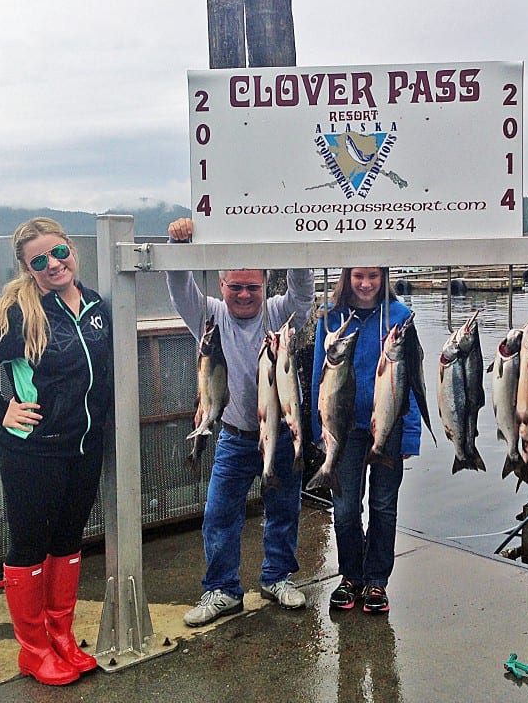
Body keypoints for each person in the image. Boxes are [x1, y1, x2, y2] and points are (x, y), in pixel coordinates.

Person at [0, 218, 111, 686]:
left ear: (71, 249)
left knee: (67, 541)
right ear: (26, 267)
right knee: (29, 546)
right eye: (40, 260)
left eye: (59, 252)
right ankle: (33, 649)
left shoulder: (97, 303)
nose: (54, 264)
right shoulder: (20, 314)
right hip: (34, 454)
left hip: (84, 448)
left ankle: (61, 636)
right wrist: (2, 411)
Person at [165, 216, 315, 627]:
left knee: (284, 509)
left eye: (254, 286)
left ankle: (277, 577)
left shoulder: (280, 315)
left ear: (267, 284)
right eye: (236, 287)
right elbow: (179, 287)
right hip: (232, 436)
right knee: (218, 514)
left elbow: (304, 294)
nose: (245, 295)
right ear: (221, 286)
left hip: (280, 436)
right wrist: (177, 246)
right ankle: (222, 590)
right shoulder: (209, 317)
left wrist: (296, 246)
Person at [310, 267, 421, 614]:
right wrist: (319, 433)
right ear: (347, 276)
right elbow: (318, 376)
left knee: (383, 506)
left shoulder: (401, 317)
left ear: (384, 276)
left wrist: (411, 433)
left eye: (374, 275)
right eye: (359, 275)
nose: (366, 283)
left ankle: (376, 581)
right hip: (343, 429)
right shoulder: (329, 319)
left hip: (390, 427)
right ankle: (351, 576)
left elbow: (412, 379)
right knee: (344, 509)